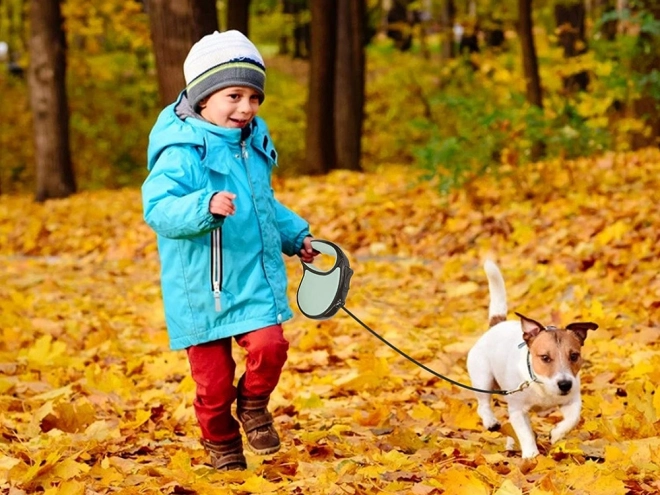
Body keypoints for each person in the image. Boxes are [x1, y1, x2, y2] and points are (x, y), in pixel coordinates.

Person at [142, 30, 318, 471]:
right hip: (200, 287)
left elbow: (264, 204)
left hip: (252, 277)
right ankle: (221, 443)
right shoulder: (182, 150)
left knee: (271, 346)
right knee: (214, 384)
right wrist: (203, 205)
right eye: (234, 95)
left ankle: (255, 405)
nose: (246, 108)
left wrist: (297, 237)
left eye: (254, 98)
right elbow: (158, 207)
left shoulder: (252, 144)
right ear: (203, 99)